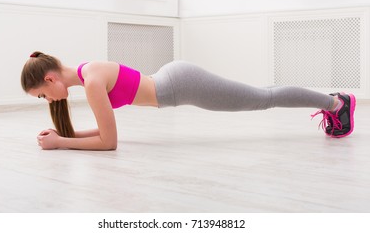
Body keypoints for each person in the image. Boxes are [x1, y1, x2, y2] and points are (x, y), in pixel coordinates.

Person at [21, 51, 356, 150]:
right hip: (178, 82)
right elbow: (104, 131)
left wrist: (62, 143)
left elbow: (109, 141)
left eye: (40, 94)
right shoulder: (87, 72)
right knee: (260, 94)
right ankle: (333, 103)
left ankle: (337, 104)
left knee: (261, 99)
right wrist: (64, 137)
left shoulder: (91, 81)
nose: (45, 99)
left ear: (49, 79)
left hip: (182, 85)